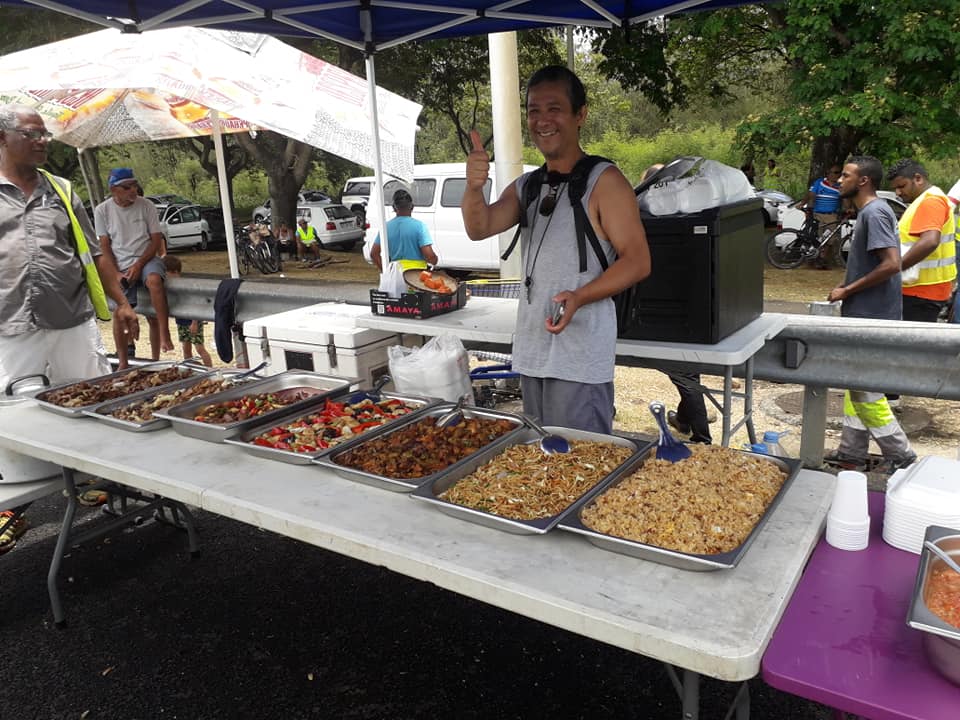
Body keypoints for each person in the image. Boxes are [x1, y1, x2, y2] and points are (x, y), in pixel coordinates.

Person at [462, 65, 651, 434]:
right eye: (534, 110)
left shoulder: (605, 182)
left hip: (579, 361)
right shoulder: (529, 185)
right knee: (543, 470)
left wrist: (580, 296)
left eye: (554, 109)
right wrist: (472, 188)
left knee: (582, 471)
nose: (542, 120)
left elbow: (639, 261)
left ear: (580, 115)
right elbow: (479, 226)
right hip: (532, 356)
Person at [0, 104, 138, 553]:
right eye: (31, 133)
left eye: (45, 135)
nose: (42, 140)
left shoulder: (61, 189)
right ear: (3, 138)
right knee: (17, 414)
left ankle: (94, 480)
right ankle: (15, 505)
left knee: (88, 397)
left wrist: (121, 302)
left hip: (71, 318)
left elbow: (94, 255)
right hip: (11, 323)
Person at [824, 156, 916, 472]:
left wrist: (848, 291)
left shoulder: (875, 212)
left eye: (845, 175)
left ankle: (900, 453)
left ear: (863, 181)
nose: (839, 180)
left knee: (867, 391)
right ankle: (851, 451)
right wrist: (847, 283)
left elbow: (892, 264)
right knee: (857, 387)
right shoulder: (869, 213)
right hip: (865, 313)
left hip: (872, 317)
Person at [640, 163, 711, 444]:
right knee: (687, 377)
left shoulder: (641, 216)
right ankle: (686, 422)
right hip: (684, 310)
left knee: (686, 379)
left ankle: (702, 437)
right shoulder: (695, 213)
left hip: (660, 312)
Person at [95, 167, 173, 368]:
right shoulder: (102, 210)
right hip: (120, 263)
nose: (133, 191)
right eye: (127, 187)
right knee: (120, 313)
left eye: (135, 186)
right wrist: (116, 272)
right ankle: (123, 361)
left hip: (146, 258)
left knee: (154, 282)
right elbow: (104, 246)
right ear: (114, 189)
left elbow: (156, 240)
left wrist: (139, 265)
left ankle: (164, 336)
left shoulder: (146, 205)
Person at [886, 159, 957, 323]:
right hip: (921, 288)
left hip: (922, 291)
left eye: (901, 186)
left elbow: (930, 241)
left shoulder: (930, 201)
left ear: (918, 179)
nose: (897, 192)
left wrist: (895, 267)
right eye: (895, 188)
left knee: (912, 345)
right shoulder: (924, 200)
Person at [370, 189, 439, 271]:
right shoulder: (419, 226)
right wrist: (435, 260)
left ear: (394, 208)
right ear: (412, 207)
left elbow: (374, 254)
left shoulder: (386, 227)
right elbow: (429, 256)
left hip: (395, 274)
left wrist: (386, 271)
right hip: (416, 276)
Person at [163, 256, 212, 367]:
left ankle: (210, 370)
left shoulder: (185, 286)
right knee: (186, 348)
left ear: (175, 272)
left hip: (192, 322)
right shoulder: (171, 286)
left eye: (166, 273)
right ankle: (191, 368)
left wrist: (194, 322)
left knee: (200, 348)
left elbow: (196, 304)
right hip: (181, 322)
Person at [800, 164, 844, 268]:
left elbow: (845, 198)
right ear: (828, 174)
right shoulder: (819, 183)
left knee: (830, 238)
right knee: (818, 237)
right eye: (836, 172)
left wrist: (848, 208)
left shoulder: (841, 186)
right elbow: (811, 194)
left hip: (832, 216)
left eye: (839, 173)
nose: (838, 175)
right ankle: (815, 259)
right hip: (818, 215)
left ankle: (822, 258)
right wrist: (803, 203)